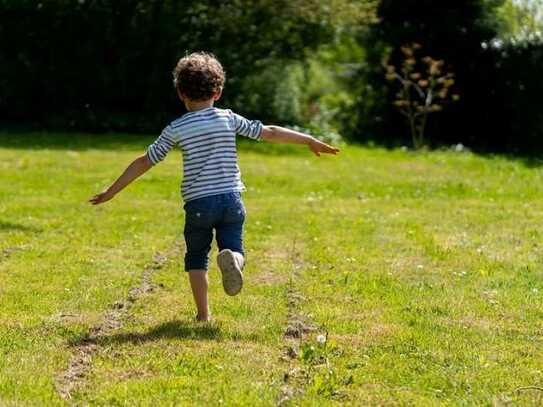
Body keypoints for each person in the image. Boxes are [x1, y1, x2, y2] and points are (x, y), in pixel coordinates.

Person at [90, 52, 339, 322]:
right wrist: (308, 139)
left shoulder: (176, 128)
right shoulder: (228, 118)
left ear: (181, 93)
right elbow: (270, 131)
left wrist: (112, 190)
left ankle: (203, 314)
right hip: (231, 200)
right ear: (217, 92)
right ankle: (234, 259)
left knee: (196, 257)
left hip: (199, 203)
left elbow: (145, 161)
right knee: (234, 247)